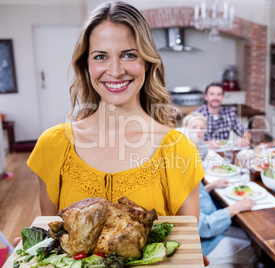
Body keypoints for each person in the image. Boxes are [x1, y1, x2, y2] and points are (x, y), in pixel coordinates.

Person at [26, 1, 203, 218]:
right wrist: (31, 249)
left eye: (129, 55)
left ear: (146, 62)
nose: (116, 71)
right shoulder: (53, 145)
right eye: (101, 56)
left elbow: (187, 244)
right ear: (86, 65)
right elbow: (50, 237)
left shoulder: (178, 149)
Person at [199, 179, 257, 267]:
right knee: (252, 250)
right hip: (204, 245)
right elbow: (203, 227)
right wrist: (236, 207)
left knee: (250, 238)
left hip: (210, 232)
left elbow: (191, 196)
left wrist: (209, 187)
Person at [194, 82, 252, 149]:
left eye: (219, 94)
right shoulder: (197, 114)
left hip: (224, 154)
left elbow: (245, 131)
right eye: (212, 94)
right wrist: (205, 144)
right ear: (206, 97)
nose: (215, 97)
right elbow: (187, 140)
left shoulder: (229, 113)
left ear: (223, 97)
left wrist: (246, 138)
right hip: (202, 153)